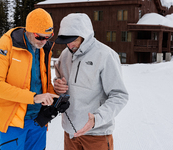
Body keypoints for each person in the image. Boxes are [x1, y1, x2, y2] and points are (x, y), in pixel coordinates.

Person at [0, 8, 59, 150]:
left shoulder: (43, 49)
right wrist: (33, 97)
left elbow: (41, 82)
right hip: (12, 121)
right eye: (40, 37)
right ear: (29, 31)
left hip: (38, 120)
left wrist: (55, 97)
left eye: (48, 37)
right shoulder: (6, 45)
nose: (44, 41)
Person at [54, 13, 129, 150]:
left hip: (97, 134)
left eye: (73, 39)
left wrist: (96, 119)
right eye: (66, 40)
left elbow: (119, 95)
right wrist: (57, 86)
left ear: (85, 34)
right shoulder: (65, 55)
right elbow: (58, 80)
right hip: (70, 132)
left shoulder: (105, 55)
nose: (69, 45)